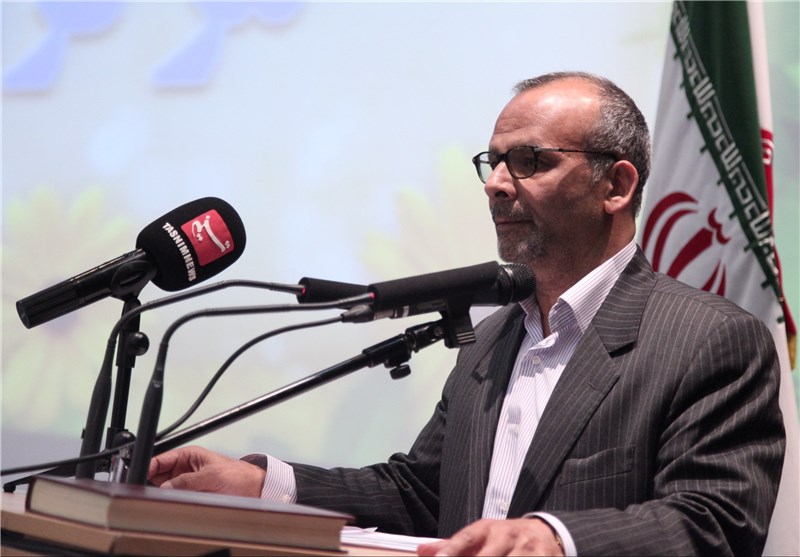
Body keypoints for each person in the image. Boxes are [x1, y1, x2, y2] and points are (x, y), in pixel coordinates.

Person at [148, 72, 785, 556]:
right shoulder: (491, 338)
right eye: (493, 161)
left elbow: (716, 522)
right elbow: (423, 493)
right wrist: (265, 484)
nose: (496, 183)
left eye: (530, 161)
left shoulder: (710, 340)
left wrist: (554, 538)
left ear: (615, 186)